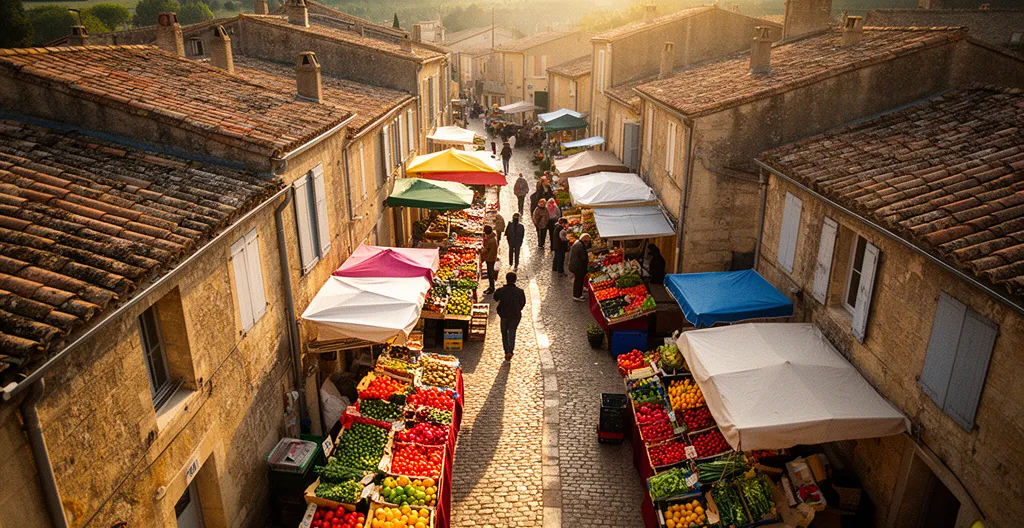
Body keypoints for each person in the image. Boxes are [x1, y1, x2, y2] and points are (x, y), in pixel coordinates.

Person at [493, 272, 526, 360]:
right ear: (515, 280)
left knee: (504, 333)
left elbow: (495, 298)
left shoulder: (501, 290)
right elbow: (522, 303)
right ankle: (510, 351)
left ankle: (506, 350)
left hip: (504, 315)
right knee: (512, 332)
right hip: (515, 315)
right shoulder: (520, 292)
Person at [569, 233, 591, 301]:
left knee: (579, 280)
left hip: (575, 265)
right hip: (578, 267)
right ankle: (577, 295)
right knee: (578, 281)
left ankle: (580, 290)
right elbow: (583, 257)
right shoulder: (580, 246)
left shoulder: (577, 243)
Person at [481, 225, 499, 294]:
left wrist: (480, 249)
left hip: (490, 258)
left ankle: (492, 288)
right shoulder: (493, 237)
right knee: (490, 272)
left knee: (490, 273)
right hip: (491, 257)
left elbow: (485, 250)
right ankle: (491, 286)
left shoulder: (491, 240)